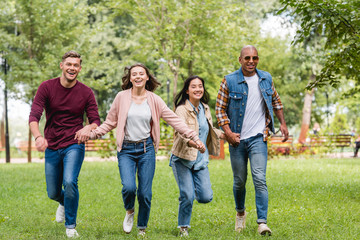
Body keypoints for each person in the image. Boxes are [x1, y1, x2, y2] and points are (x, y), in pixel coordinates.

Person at [75, 63, 205, 236]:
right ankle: (129, 211)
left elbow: (174, 120)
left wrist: (193, 136)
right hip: (126, 150)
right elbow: (110, 122)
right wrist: (92, 134)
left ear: (146, 78)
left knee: (145, 193)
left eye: (141, 74)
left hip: (146, 150)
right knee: (129, 188)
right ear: (130, 78)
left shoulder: (154, 99)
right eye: (134, 74)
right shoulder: (121, 97)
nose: (137, 76)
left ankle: (141, 227)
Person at [215, 45, 289, 236]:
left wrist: (282, 123)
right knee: (239, 181)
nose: (251, 61)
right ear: (240, 59)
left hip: (258, 137)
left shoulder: (266, 78)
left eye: (254, 58)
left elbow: (276, 102)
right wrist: (229, 133)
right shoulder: (229, 81)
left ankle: (262, 222)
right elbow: (220, 109)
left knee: (259, 179)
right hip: (237, 139)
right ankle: (240, 213)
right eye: (247, 58)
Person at [29, 51, 100, 238]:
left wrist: (88, 128)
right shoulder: (46, 87)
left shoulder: (86, 92)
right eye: (69, 64)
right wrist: (38, 137)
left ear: (80, 68)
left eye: (76, 65)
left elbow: (95, 120)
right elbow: (34, 116)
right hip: (51, 145)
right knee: (52, 192)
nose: (72, 68)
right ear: (62, 65)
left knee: (70, 181)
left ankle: (70, 226)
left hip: (74, 144)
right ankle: (62, 201)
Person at [170, 76, 225, 237]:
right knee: (187, 195)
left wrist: (228, 136)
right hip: (182, 158)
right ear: (187, 90)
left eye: (200, 86)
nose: (198, 89)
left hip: (200, 159)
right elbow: (180, 133)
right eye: (193, 86)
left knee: (205, 197)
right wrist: (194, 143)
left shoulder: (205, 108)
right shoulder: (181, 110)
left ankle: (189, 190)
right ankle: (183, 227)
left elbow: (211, 129)